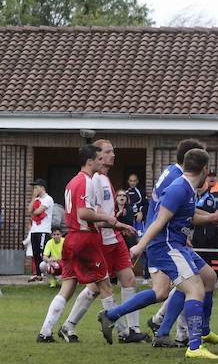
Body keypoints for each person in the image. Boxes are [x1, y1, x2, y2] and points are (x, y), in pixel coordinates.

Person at [103, 139, 218, 349]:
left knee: (205, 278)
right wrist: (141, 246)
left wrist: (201, 222)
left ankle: (185, 331)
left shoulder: (175, 175)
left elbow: (182, 213)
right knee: (189, 287)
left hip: (172, 239)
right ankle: (183, 337)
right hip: (164, 242)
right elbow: (165, 216)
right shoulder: (178, 183)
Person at [36, 145, 129, 343]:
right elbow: (84, 213)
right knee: (105, 286)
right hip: (86, 239)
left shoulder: (72, 182)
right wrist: (108, 218)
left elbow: (79, 214)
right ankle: (124, 332)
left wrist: (115, 224)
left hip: (72, 237)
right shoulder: (86, 181)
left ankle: (45, 331)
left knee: (67, 287)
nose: (102, 161)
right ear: (90, 161)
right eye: (98, 159)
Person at [62, 139, 145, 344]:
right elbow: (93, 212)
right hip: (102, 239)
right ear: (96, 156)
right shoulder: (94, 180)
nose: (112, 155)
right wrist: (115, 224)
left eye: (113, 151)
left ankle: (132, 329)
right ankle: (69, 325)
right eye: (108, 152)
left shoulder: (106, 178)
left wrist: (118, 225)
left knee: (129, 280)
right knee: (95, 287)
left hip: (114, 238)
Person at [193, 165, 218, 275]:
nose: (212, 178)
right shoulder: (201, 190)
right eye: (209, 176)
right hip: (202, 224)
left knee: (215, 248)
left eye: (214, 176)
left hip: (216, 225)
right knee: (201, 248)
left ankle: (215, 274)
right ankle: (202, 272)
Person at [28, 179, 54, 282]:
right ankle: (39, 275)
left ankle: (50, 274)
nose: (34, 189)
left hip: (43, 230)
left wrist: (33, 211)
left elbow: (37, 212)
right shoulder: (36, 199)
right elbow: (29, 210)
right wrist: (34, 197)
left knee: (43, 254)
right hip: (34, 230)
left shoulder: (48, 199)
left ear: (42, 188)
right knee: (35, 253)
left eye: (36, 187)